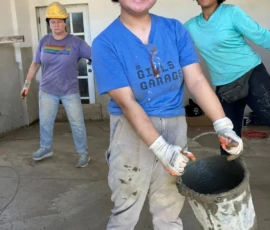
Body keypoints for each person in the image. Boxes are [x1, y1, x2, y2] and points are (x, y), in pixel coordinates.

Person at [92, 0, 243, 229]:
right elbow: (127, 102)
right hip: (130, 130)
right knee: (126, 208)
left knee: (170, 205)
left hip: (175, 125)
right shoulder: (105, 43)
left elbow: (196, 79)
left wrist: (223, 125)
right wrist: (162, 149)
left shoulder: (173, 29)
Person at [185, 0, 270, 155]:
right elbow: (174, 48)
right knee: (228, 140)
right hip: (224, 87)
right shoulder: (191, 26)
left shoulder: (231, 12)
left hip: (252, 75)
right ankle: (230, 176)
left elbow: (262, 36)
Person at [20, 2, 91, 168]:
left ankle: (83, 153)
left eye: (59, 21)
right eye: (52, 21)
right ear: (49, 23)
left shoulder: (76, 43)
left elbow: (96, 57)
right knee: (45, 121)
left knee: (77, 123)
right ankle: (45, 148)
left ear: (65, 21)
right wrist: (26, 84)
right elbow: (35, 64)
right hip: (47, 90)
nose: (56, 24)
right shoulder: (44, 40)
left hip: (69, 90)